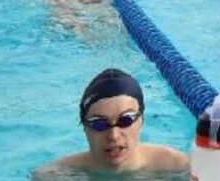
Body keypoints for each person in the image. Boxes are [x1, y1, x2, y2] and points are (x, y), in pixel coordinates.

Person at [38, 68, 189, 174]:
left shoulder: (178, 167)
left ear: (141, 120)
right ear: (84, 126)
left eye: (126, 120)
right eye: (99, 123)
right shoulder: (55, 178)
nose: (114, 135)